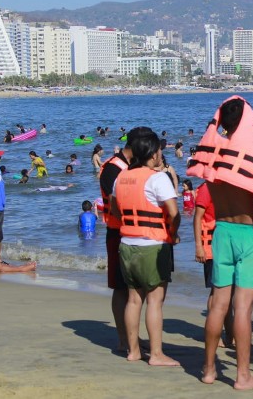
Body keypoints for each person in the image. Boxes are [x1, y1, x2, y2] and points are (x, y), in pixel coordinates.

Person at [187, 96, 253, 390]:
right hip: (251, 234)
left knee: (218, 305)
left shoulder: (214, 153)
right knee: (243, 308)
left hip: (222, 230)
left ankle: (208, 370)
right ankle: (242, 376)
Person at [111, 130, 181, 366]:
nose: (161, 153)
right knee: (155, 300)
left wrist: (128, 224)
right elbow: (173, 213)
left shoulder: (121, 177)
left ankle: (132, 351)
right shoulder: (158, 178)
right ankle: (157, 354)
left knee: (133, 299)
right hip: (152, 244)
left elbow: (114, 208)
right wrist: (174, 232)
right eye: (159, 149)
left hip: (127, 243)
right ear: (152, 153)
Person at [98, 127, 152, 352]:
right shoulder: (112, 168)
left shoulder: (132, 167)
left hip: (137, 233)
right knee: (121, 288)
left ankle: (133, 337)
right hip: (118, 233)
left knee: (139, 288)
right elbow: (115, 201)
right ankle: (124, 339)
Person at [192, 181, 234, 349]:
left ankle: (230, 336)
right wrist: (198, 246)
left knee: (229, 294)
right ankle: (213, 334)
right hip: (211, 249)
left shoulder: (228, 187)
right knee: (216, 292)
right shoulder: (206, 188)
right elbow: (197, 217)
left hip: (226, 246)